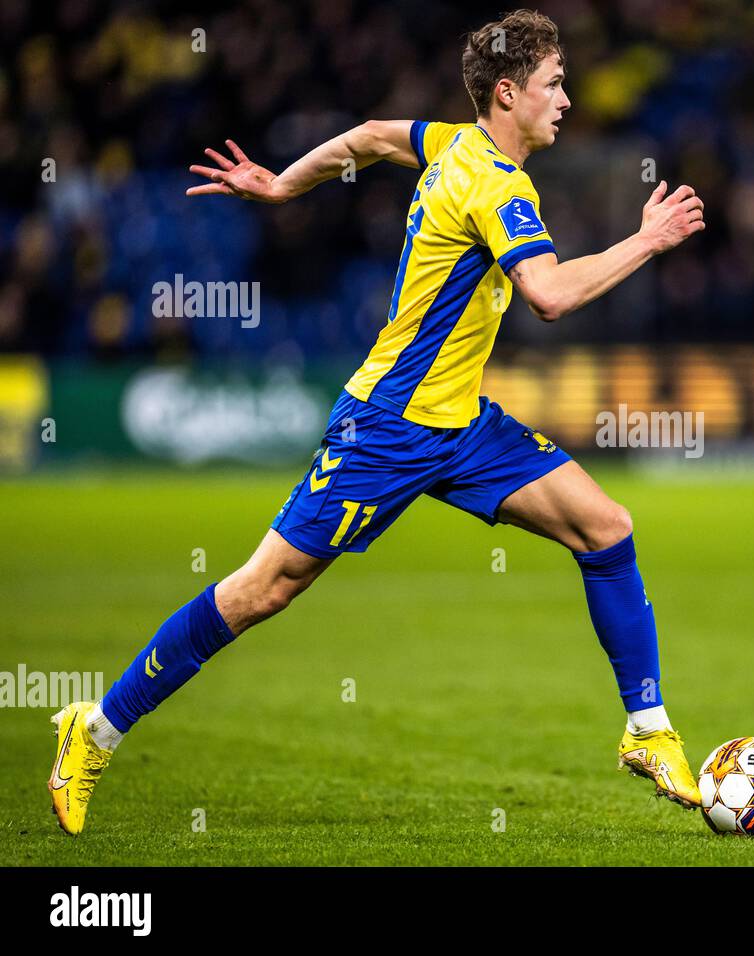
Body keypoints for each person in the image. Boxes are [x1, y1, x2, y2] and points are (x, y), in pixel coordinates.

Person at [49, 9, 707, 836]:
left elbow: (364, 137)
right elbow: (549, 295)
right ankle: (96, 727)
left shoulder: (452, 144)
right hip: (388, 428)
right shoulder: (496, 183)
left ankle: (648, 731)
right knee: (262, 590)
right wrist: (647, 240)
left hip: (461, 425)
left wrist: (285, 183)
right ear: (508, 94)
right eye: (553, 85)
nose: (567, 101)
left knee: (605, 527)